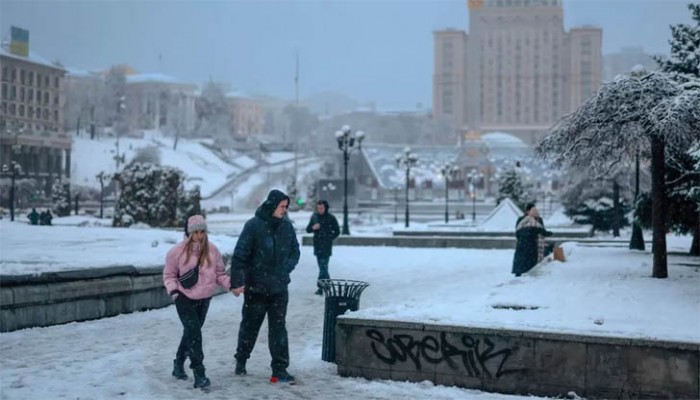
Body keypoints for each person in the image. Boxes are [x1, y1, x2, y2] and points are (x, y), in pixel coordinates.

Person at [230, 189, 300, 384]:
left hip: (279, 289)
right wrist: (236, 282)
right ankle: (241, 359)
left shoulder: (287, 227)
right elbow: (239, 255)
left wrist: (285, 269)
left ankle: (279, 369)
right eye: (282, 207)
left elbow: (295, 251)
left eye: (286, 207)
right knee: (250, 328)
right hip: (256, 290)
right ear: (272, 205)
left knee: (278, 329)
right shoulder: (253, 226)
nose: (285, 210)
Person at [163, 214, 237, 390]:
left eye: (202, 231)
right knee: (194, 334)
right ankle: (199, 373)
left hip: (204, 299)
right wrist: (174, 292)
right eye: (196, 232)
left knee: (190, 333)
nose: (199, 235)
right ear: (189, 233)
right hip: (184, 299)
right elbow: (169, 275)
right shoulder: (176, 252)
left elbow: (220, 274)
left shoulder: (212, 250)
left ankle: (178, 363)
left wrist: (231, 287)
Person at [305, 200, 340, 295]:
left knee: (323, 267)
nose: (319, 210)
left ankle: (321, 287)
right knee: (322, 267)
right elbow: (307, 229)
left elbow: (337, 231)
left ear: (325, 208)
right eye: (318, 208)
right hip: (317, 245)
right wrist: (313, 228)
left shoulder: (331, 218)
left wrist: (329, 238)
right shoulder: (314, 217)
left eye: (321, 208)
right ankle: (327, 284)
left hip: (327, 246)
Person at [512, 207, 552, 276]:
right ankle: (529, 272)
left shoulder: (522, 221)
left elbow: (517, 233)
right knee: (530, 260)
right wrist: (550, 233)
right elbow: (543, 232)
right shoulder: (536, 223)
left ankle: (518, 272)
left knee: (520, 258)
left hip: (521, 244)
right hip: (531, 245)